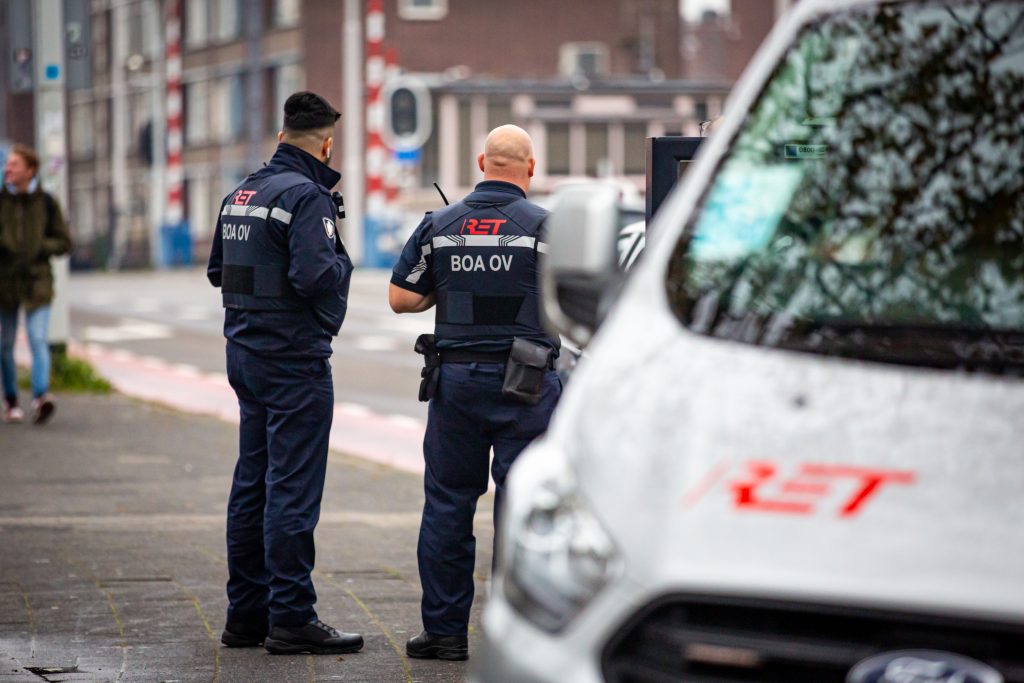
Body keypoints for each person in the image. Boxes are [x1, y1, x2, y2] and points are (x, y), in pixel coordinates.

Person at [389, 124, 562, 661]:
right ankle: (521, 637)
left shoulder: (440, 225)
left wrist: (449, 285)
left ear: (481, 162)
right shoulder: (547, 228)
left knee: (447, 505)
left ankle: (443, 634)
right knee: (527, 511)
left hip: (457, 383)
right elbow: (577, 301)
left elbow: (401, 299)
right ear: (530, 169)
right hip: (527, 385)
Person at [207, 91, 362, 655]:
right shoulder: (308, 197)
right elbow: (316, 277)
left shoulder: (240, 193)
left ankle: (245, 616)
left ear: (280, 137)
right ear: (325, 144)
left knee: (252, 483)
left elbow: (219, 270)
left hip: (244, 356)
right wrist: (345, 260)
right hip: (293, 363)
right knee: (291, 489)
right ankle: (292, 616)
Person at [0, 144, 71, 425]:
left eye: (14, 164)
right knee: (5, 343)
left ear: (30, 170)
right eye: (7, 164)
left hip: (37, 282)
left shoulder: (46, 203)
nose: (8, 169)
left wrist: (42, 246)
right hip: (5, 282)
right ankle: (12, 400)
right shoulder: (1, 201)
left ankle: (41, 396)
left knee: (37, 338)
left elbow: (64, 242)